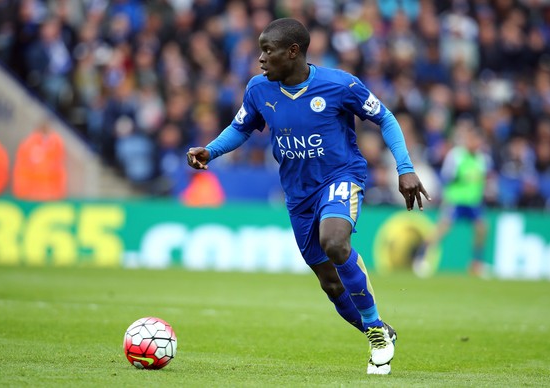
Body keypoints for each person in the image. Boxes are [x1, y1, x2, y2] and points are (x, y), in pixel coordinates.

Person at [187, 18, 430, 375]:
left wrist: (405, 167)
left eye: (267, 51)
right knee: (331, 284)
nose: (260, 59)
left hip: (340, 177)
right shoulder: (258, 90)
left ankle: (376, 330)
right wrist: (211, 150)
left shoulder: (340, 85)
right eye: (260, 51)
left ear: (293, 51)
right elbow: (241, 127)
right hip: (298, 195)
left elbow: (387, 118)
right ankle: (376, 329)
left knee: (334, 241)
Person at [416, 119, 491, 277]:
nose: (476, 143)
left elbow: (483, 181)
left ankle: (476, 264)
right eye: (473, 139)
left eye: (479, 140)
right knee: (441, 229)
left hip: (473, 202)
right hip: (455, 200)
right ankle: (421, 257)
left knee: (482, 229)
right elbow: (446, 177)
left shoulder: (483, 159)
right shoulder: (456, 156)